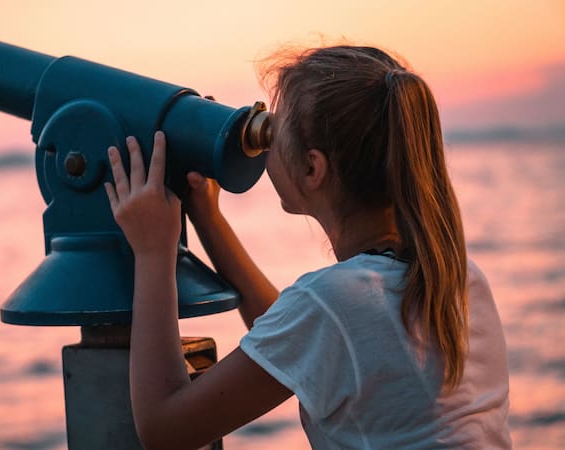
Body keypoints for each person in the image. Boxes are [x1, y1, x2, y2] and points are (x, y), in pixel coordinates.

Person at [104, 46, 511, 449]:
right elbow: (308, 342)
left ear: (313, 168)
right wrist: (208, 218)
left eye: (273, 133)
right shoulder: (456, 276)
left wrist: (154, 251)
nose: (264, 148)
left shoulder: (334, 303)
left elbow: (164, 430)